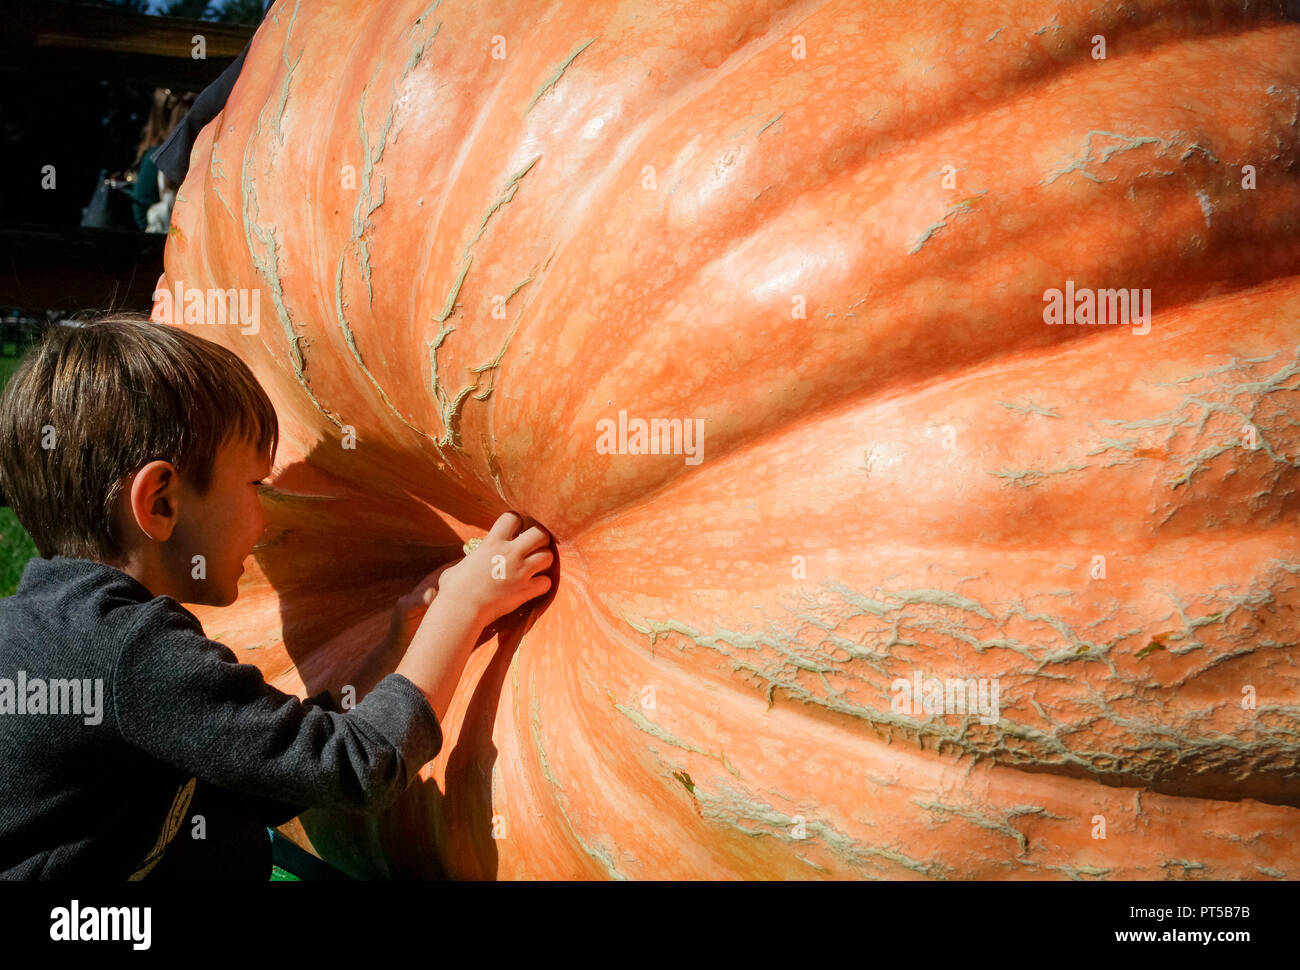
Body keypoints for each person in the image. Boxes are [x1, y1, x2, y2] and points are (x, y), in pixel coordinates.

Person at [0, 313, 554, 879]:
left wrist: (394, 648)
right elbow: (357, 769)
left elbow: (264, 768)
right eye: (255, 486)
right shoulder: (136, 654)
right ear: (160, 503)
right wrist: (464, 608)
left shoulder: (45, 630)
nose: (266, 520)